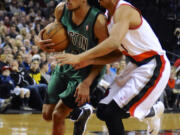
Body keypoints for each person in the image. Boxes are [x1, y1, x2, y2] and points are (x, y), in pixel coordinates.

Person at [56, 0, 171, 135]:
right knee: (103, 111)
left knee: (113, 113)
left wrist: (81, 57)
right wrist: (90, 63)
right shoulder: (107, 17)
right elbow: (116, 55)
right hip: (135, 65)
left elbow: (113, 42)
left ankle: (152, 110)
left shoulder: (124, 10)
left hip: (154, 65)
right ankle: (151, 112)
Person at [35, 0, 108, 135]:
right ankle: (80, 111)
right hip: (66, 65)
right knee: (47, 114)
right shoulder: (61, 9)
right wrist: (40, 39)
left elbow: (102, 56)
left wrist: (87, 83)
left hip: (87, 71)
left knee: (58, 114)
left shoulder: (98, 22)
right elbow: (50, 30)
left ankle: (79, 109)